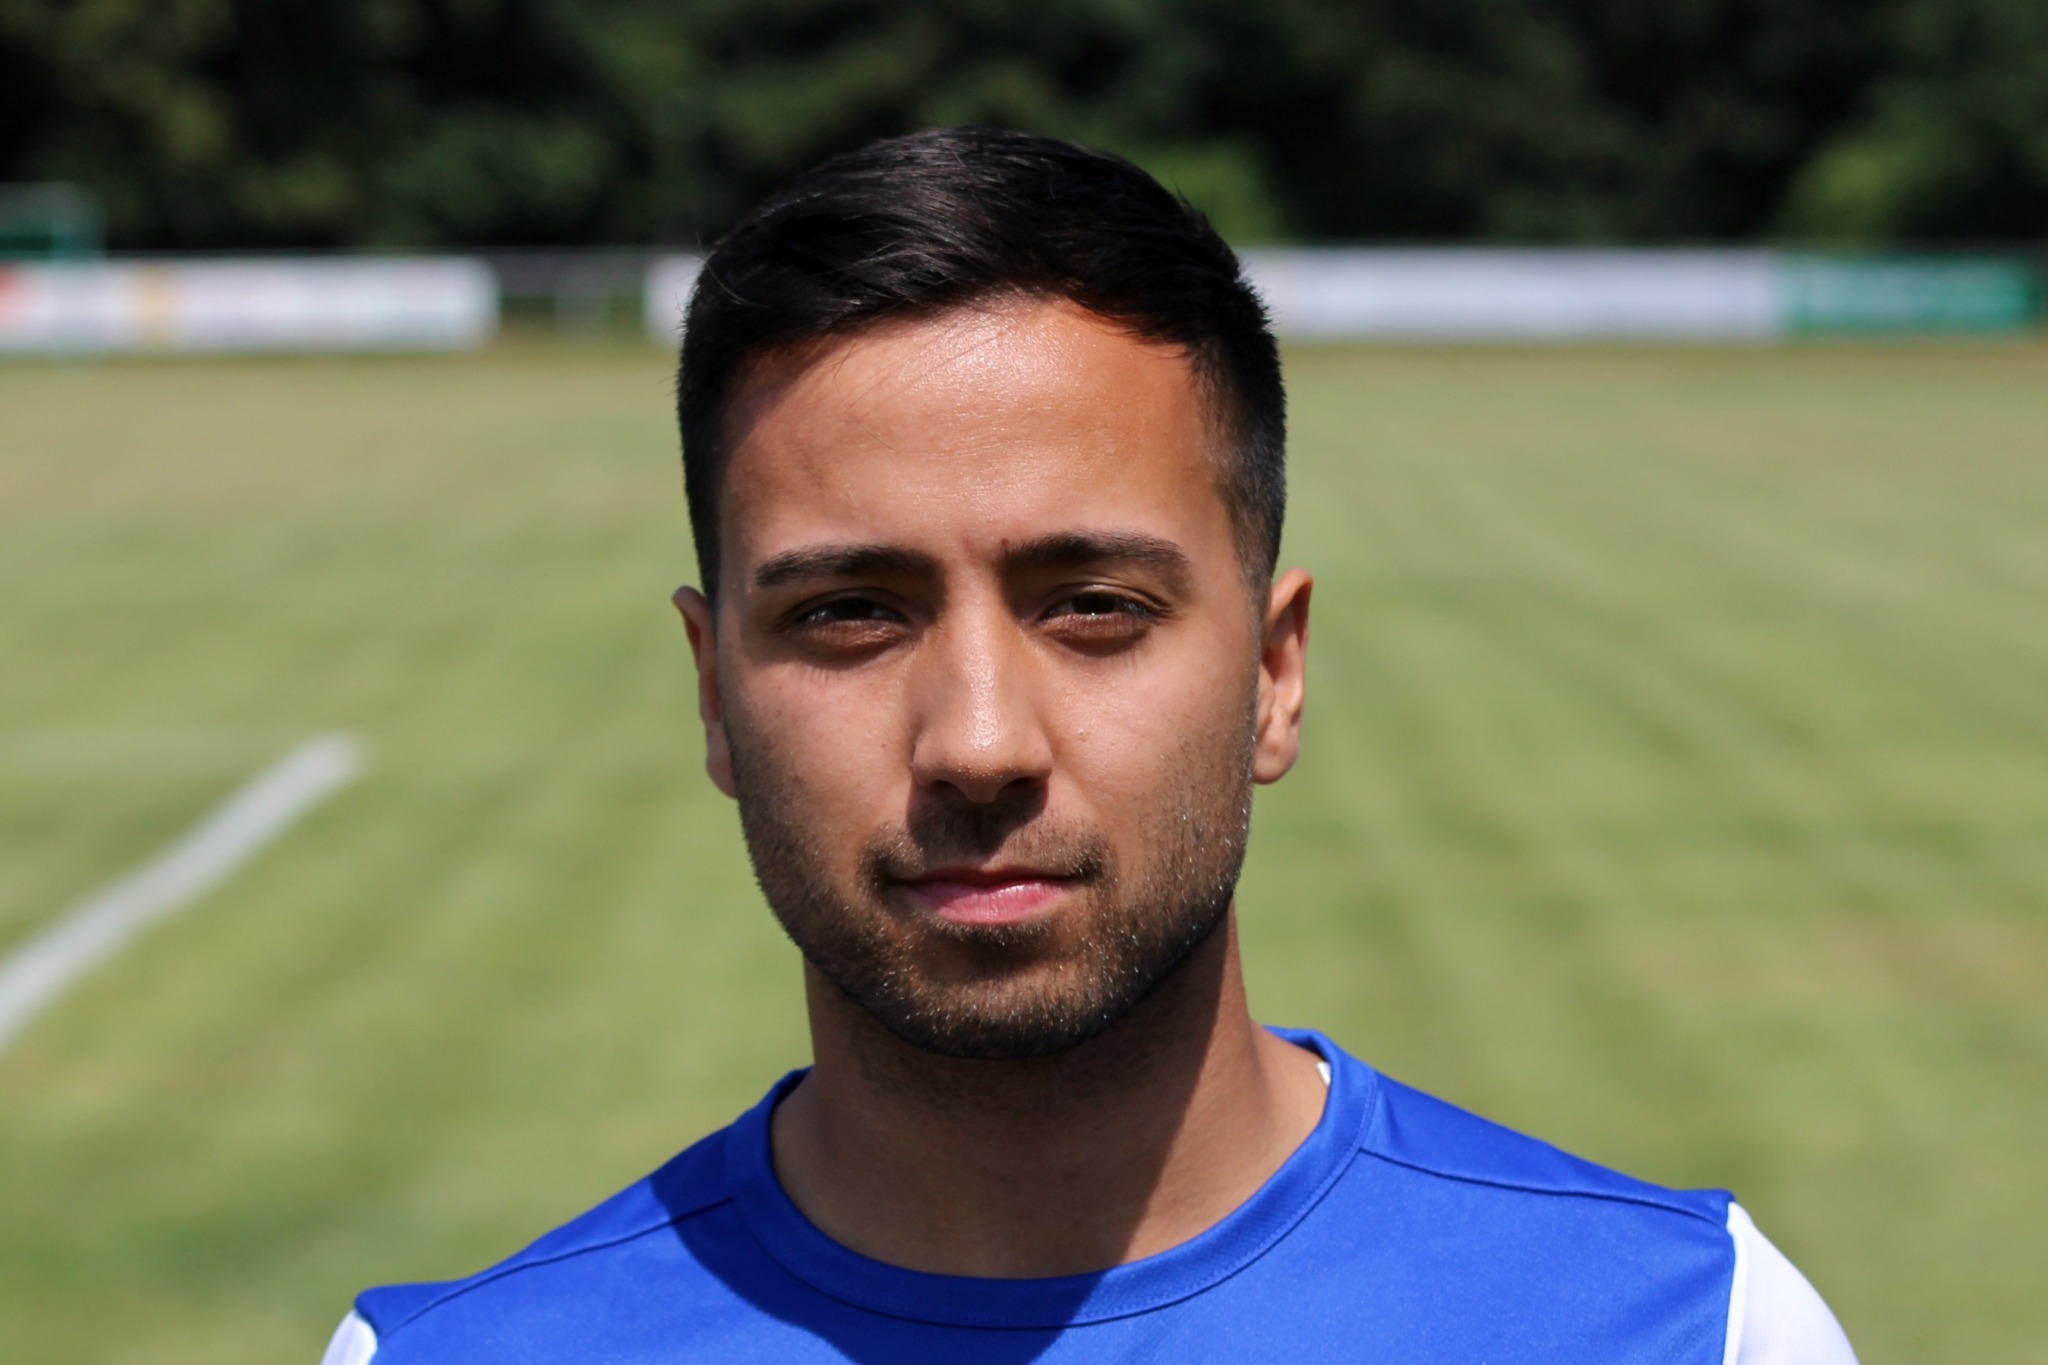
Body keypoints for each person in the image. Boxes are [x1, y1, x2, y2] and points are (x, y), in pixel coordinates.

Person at [323, 127, 1857, 1364]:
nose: (979, 742)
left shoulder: (1693, 1328)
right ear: (715, 692)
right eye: (853, 611)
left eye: (1096, 605)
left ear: (1272, 671)